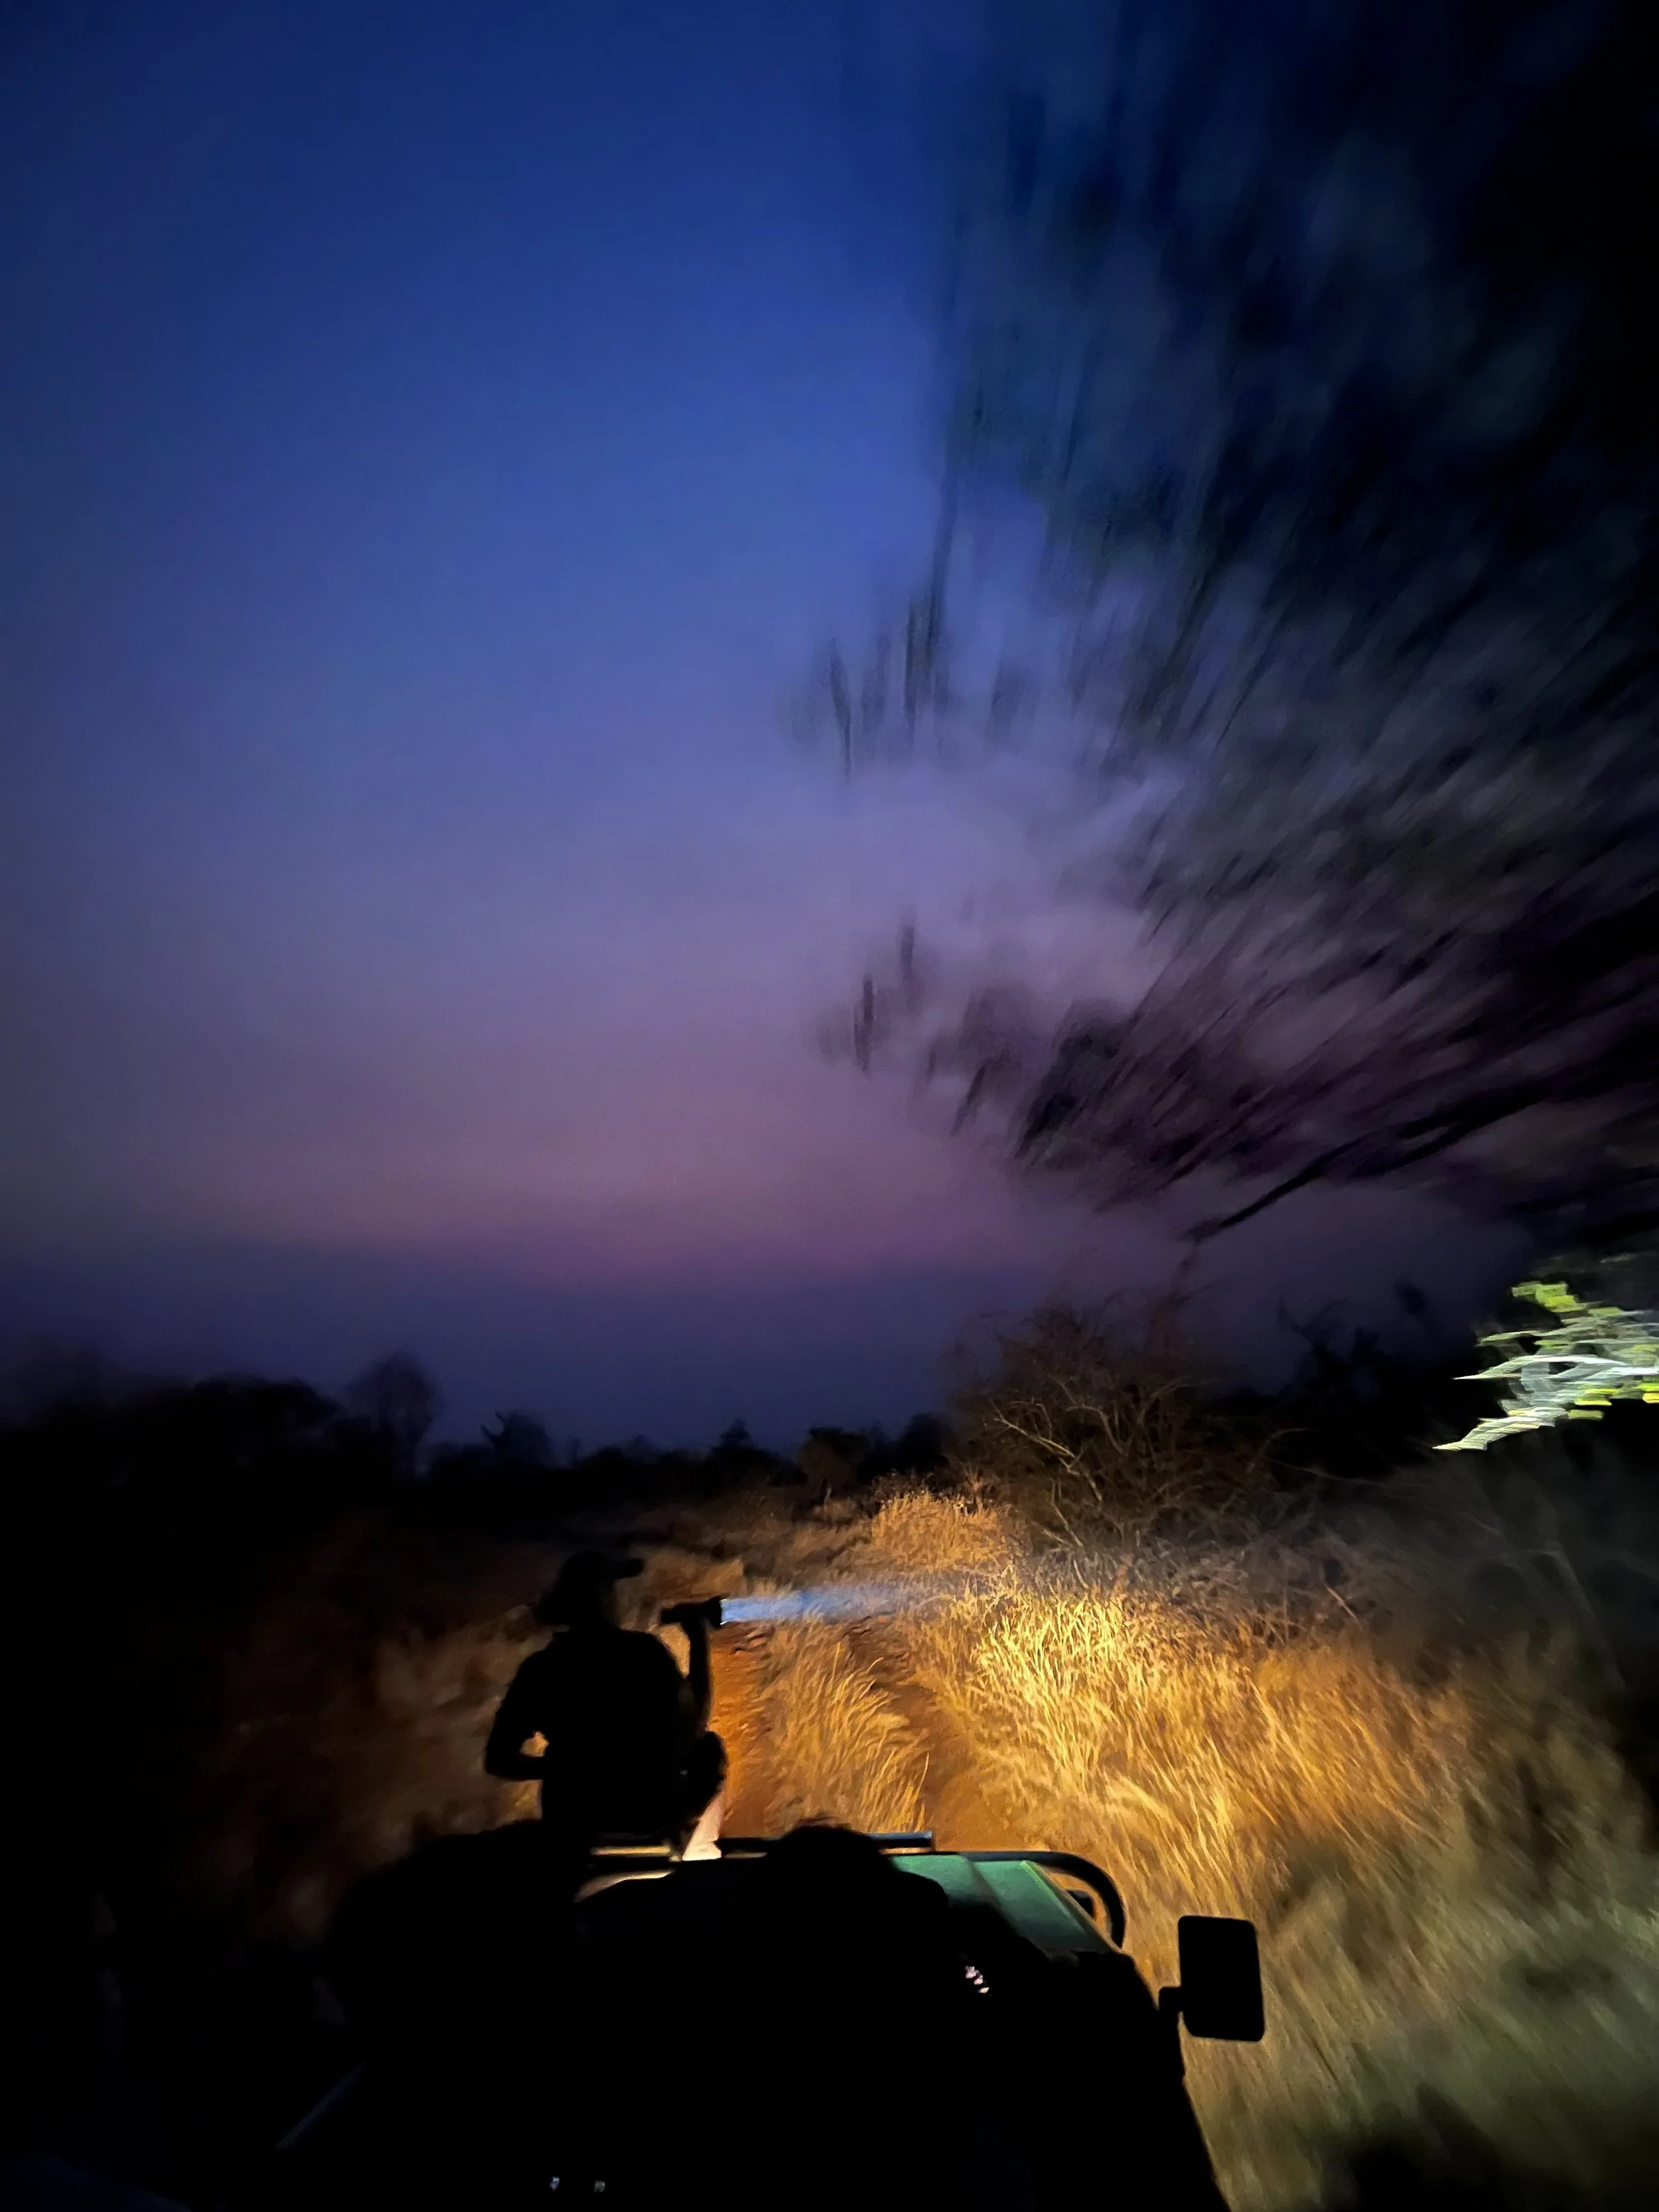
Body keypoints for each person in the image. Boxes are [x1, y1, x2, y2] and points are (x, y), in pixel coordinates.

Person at [484, 1553, 727, 1859]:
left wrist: (564, 1768)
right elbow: (693, 1728)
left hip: (574, 1824)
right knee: (710, 1750)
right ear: (602, 1598)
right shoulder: (644, 1654)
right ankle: (692, 1854)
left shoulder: (542, 1668)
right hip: (649, 1820)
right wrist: (698, 1638)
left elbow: (498, 1760)